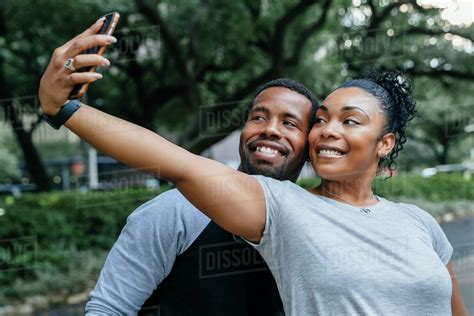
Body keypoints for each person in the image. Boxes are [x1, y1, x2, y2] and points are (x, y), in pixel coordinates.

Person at [39, 20, 467, 315]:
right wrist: (63, 110)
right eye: (322, 120)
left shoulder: (419, 223)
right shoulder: (282, 207)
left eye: (349, 121)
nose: (327, 131)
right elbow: (173, 160)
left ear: (385, 143)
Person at [84, 78, 319, 315]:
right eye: (258, 117)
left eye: (289, 123)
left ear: (310, 148)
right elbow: (107, 309)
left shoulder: (315, 227)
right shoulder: (174, 212)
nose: (270, 129)